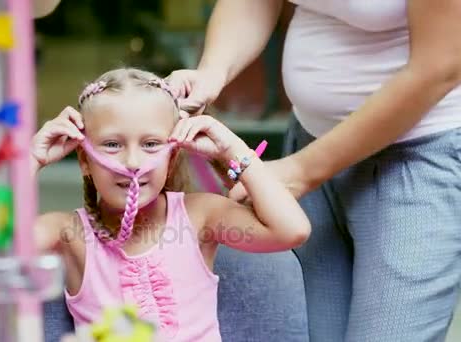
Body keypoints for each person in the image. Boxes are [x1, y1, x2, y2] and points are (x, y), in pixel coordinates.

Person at [166, 0, 461, 341]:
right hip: (308, 140)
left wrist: (298, 172)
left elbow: (440, 66)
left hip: (416, 158)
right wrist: (213, 70)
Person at [31, 67, 310, 341]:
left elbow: (291, 230)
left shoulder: (200, 215)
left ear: (172, 157)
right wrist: (31, 160)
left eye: (151, 144)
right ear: (84, 160)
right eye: (112, 145)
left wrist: (232, 149)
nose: (133, 163)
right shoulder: (67, 233)